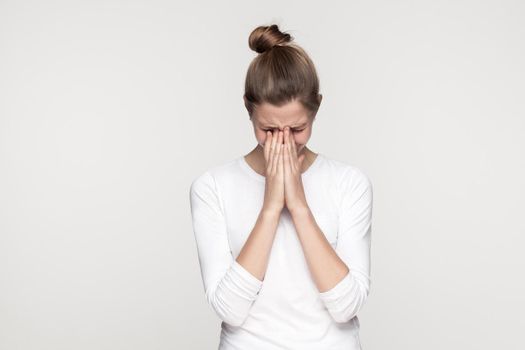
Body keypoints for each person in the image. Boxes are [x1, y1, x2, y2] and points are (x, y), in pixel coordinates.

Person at [189, 24, 373, 350]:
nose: (284, 140)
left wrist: (299, 207)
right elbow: (229, 309)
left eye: (297, 128)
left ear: (316, 111)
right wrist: (271, 208)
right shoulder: (213, 187)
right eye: (269, 129)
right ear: (249, 110)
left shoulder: (349, 184)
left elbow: (346, 307)